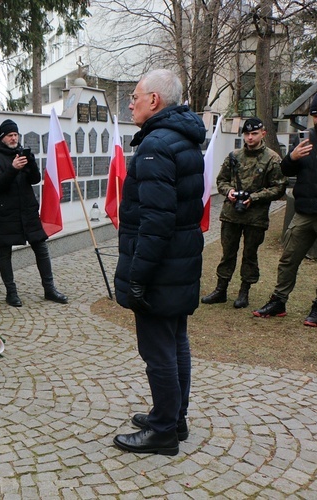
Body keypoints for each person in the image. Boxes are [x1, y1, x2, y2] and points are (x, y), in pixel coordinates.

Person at [113, 69, 206, 456]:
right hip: (179, 263)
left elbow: (155, 220)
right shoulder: (182, 138)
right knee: (175, 340)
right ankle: (175, 417)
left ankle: (164, 431)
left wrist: (138, 277)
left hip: (161, 267)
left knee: (158, 351)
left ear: (155, 101)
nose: (130, 103)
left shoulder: (156, 145)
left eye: (135, 96)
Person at [253, 89, 317, 327]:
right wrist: (293, 158)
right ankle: (278, 302)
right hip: (303, 213)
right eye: (315, 115)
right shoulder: (305, 137)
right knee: (288, 259)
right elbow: (286, 171)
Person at [201, 118, 287, 308]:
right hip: (231, 214)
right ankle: (220, 290)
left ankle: (244, 292)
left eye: (254, 133)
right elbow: (221, 180)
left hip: (255, 217)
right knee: (227, 253)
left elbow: (279, 188)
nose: (249, 137)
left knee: (250, 255)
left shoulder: (272, 159)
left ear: (263, 133)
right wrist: (229, 191)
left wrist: (254, 197)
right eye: (247, 134)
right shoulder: (234, 156)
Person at [0, 119, 67, 307]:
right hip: (7, 212)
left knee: (41, 248)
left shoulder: (22, 152)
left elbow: (35, 179)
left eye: (15, 135)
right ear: (3, 137)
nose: (14, 138)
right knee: (5, 251)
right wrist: (13, 168)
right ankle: (11, 292)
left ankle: (49, 289)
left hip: (28, 211)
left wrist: (30, 164)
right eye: (10, 135)